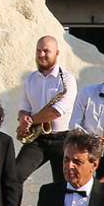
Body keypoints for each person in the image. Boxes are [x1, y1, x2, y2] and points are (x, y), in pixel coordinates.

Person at [13, 35, 77, 186]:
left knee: (62, 184)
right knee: (14, 175)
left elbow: (56, 111)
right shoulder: (30, 79)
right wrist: (23, 119)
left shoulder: (67, 80)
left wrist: (31, 120)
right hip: (38, 138)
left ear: (57, 53)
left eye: (46, 51)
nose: (41, 55)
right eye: (38, 51)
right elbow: (24, 108)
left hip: (62, 139)